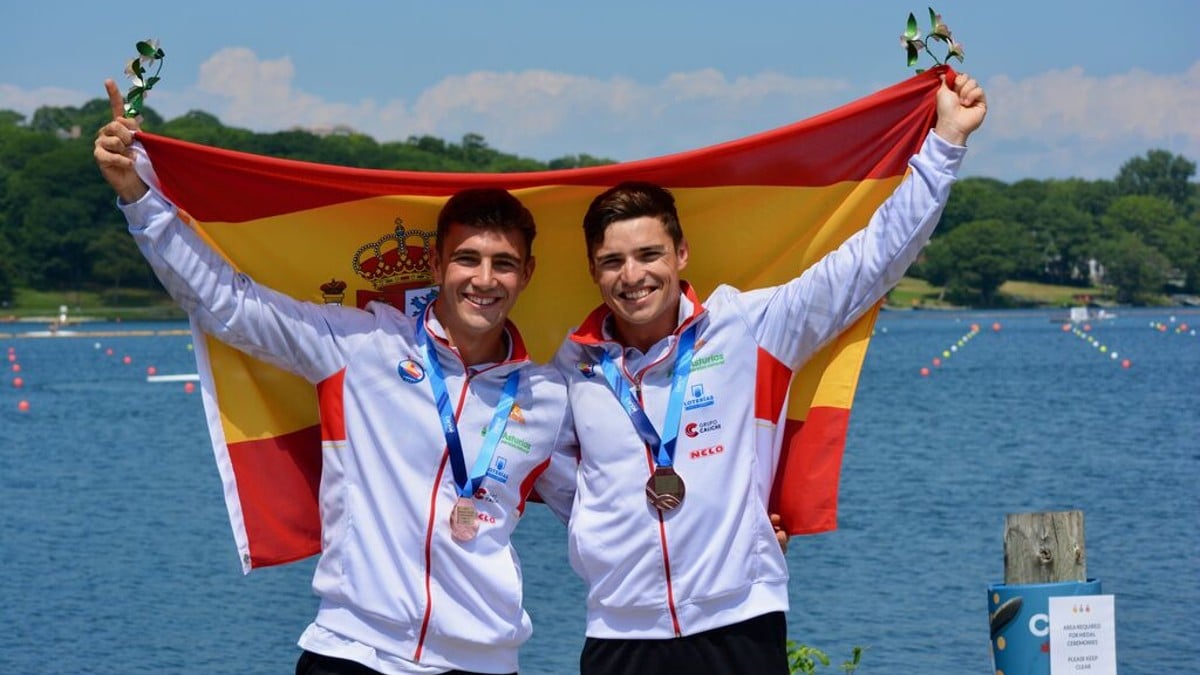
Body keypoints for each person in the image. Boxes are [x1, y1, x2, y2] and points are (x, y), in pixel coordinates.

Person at [94, 79, 577, 675]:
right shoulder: (359, 344)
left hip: (484, 661)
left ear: (526, 274)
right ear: (436, 266)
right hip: (352, 652)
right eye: (467, 259)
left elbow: (604, 508)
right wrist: (140, 198)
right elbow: (229, 304)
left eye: (503, 264)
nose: (484, 279)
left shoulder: (548, 396)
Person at [553, 72, 987, 674]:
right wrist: (601, 528)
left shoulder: (750, 325)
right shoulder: (572, 368)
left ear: (680, 256)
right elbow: (550, 475)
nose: (633, 275)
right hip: (620, 632)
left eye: (649, 254)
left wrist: (945, 142)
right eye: (613, 261)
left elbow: (871, 261)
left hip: (740, 623)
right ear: (594, 271)